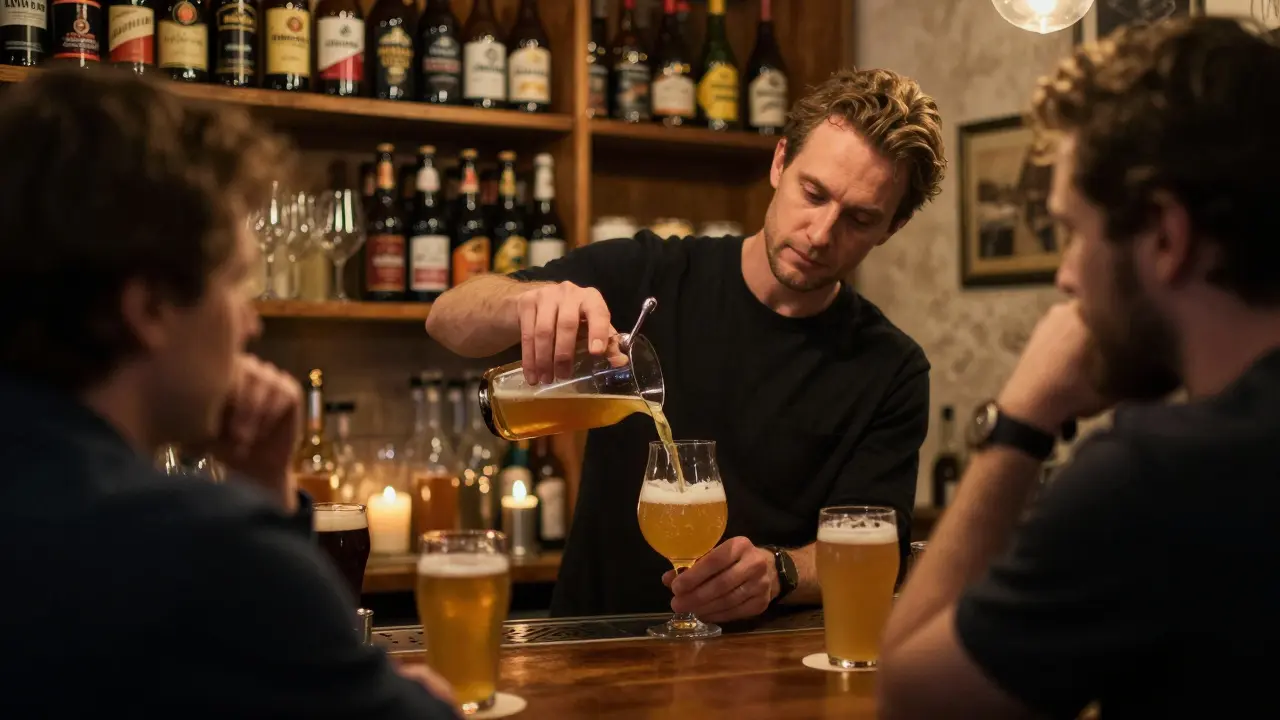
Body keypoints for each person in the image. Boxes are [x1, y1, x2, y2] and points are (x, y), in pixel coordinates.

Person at [0, 68, 458, 718]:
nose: (252, 321)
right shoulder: (197, 549)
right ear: (151, 307)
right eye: (237, 282)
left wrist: (259, 484)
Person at [427, 68, 946, 621]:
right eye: (812, 193)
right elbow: (446, 319)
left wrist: (780, 571)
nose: (820, 233)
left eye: (860, 218)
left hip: (759, 672)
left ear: (893, 226)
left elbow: (877, 548)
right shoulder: (649, 275)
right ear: (779, 162)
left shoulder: (891, 367)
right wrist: (524, 301)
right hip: (597, 646)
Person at [879, 17, 1280, 718]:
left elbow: (912, 699)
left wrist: (1022, 422)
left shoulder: (1158, 478)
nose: (1066, 277)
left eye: (1071, 231)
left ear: (1164, 235)